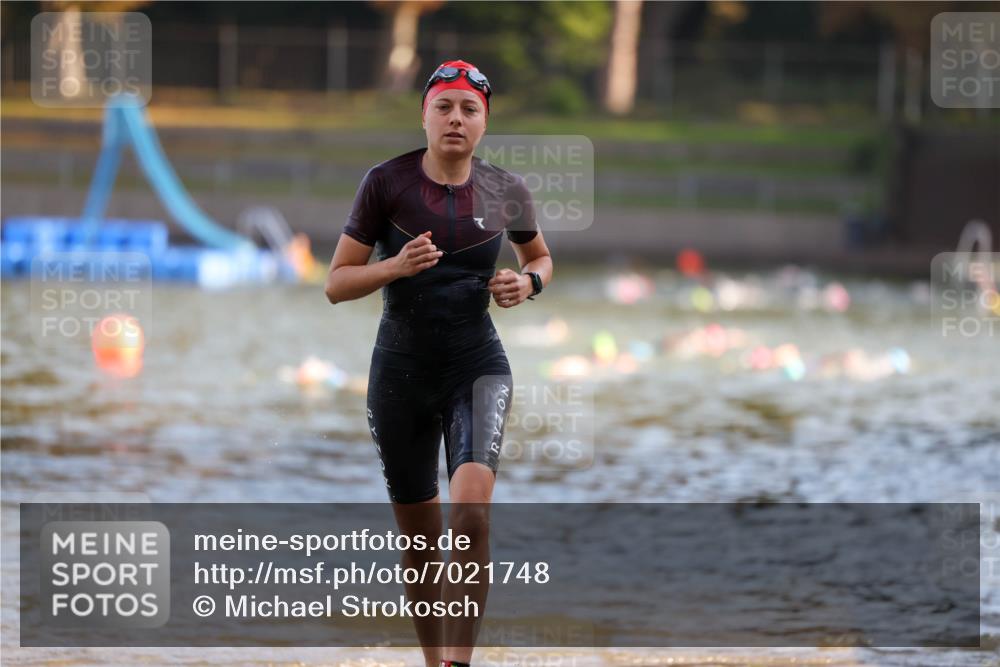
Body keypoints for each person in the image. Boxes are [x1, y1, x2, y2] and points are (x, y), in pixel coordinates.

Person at [324, 59, 553, 667]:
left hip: (477, 363)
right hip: (399, 373)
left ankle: (458, 664)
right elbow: (337, 284)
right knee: (422, 543)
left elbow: (542, 258)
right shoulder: (386, 183)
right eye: (444, 107)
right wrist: (393, 267)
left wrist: (526, 284)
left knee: (472, 514)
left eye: (469, 109)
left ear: (485, 121)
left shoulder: (506, 190)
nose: (456, 118)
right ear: (423, 115)